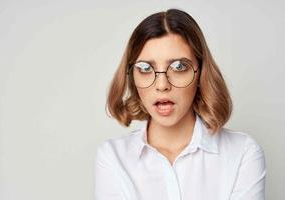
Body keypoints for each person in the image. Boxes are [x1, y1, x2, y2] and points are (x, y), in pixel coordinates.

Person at [94, 8, 266, 200]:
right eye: (145, 68)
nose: (162, 85)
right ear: (131, 76)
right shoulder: (112, 157)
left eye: (178, 67)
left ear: (201, 72)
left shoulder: (242, 153)